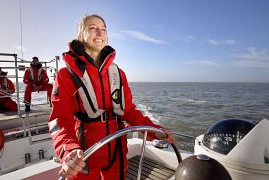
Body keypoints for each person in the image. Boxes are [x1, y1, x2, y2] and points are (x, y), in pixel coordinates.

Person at [48, 14, 176, 180]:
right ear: (81, 35)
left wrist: (155, 131)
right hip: (85, 153)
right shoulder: (66, 75)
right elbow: (59, 120)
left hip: (118, 150)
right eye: (92, 29)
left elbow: (129, 112)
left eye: (103, 29)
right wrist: (68, 149)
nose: (99, 33)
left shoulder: (118, 74)